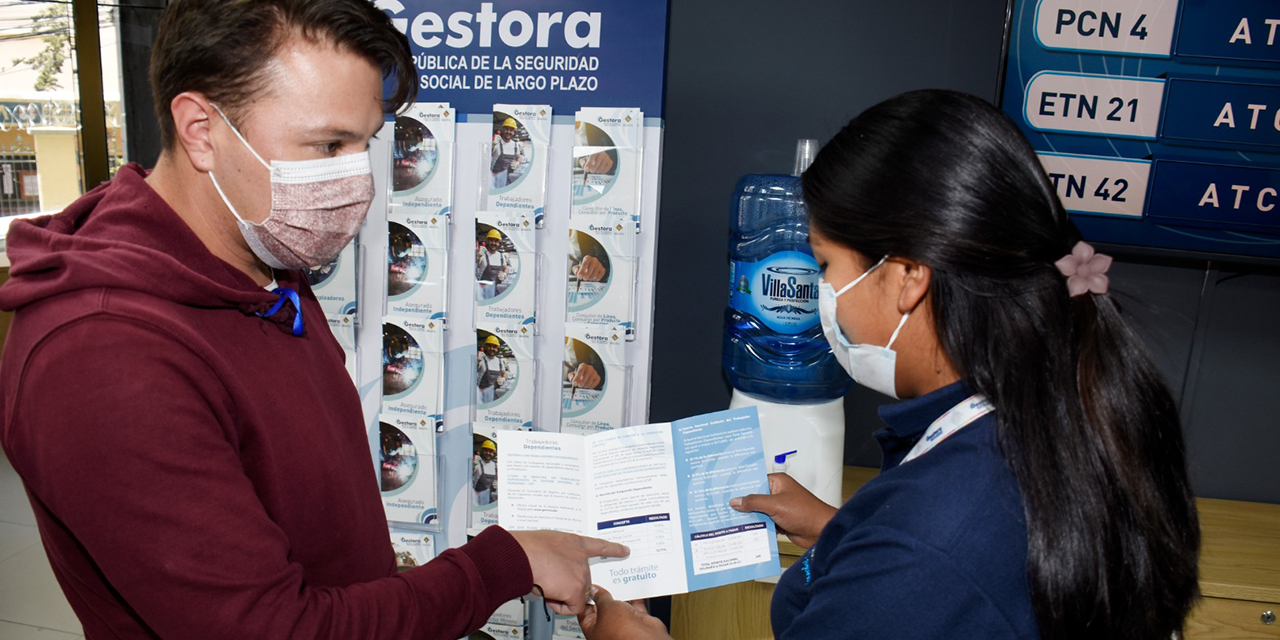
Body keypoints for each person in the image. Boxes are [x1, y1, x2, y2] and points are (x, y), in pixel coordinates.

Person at [0, 1, 626, 639]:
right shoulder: (100, 358)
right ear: (200, 129)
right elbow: (270, 630)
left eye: (365, 145)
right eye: (327, 144)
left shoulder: (263, 250)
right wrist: (500, 565)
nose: (357, 181)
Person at [575, 90, 1201, 640]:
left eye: (825, 267)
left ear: (906, 277)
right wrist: (845, 530)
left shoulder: (931, 538)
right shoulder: (1055, 410)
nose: (824, 297)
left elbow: (934, 565)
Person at [476, 228, 511, 298]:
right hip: (483, 292)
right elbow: (477, 262)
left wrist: (504, 274)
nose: (494, 243)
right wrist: (478, 256)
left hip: (496, 291)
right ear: (488, 241)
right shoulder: (483, 253)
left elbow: (506, 268)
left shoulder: (501, 256)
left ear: (499, 243)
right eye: (491, 240)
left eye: (496, 241)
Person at [490, 117, 524, 188]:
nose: (508, 132)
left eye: (511, 130)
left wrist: (518, 163)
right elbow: (490, 153)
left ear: (514, 132)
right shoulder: (497, 143)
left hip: (508, 180)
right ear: (503, 129)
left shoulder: (515, 145)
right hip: (495, 180)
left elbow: (519, 157)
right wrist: (492, 145)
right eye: (506, 129)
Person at [477, 335, 509, 404]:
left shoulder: (500, 361)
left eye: (494, 347)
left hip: (496, 396)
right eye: (489, 346)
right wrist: (477, 361)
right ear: (486, 346)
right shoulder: (482, 359)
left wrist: (503, 378)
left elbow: (505, 373)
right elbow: (473, 371)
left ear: (497, 349)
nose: (491, 348)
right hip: (482, 397)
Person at [473, 439, 499, 506]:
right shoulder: (478, 465)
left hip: (491, 502)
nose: (488, 453)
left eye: (490, 451)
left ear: (493, 453)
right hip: (478, 501)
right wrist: (472, 466)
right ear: (482, 451)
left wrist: (499, 486)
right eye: (486, 450)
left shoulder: (496, 466)